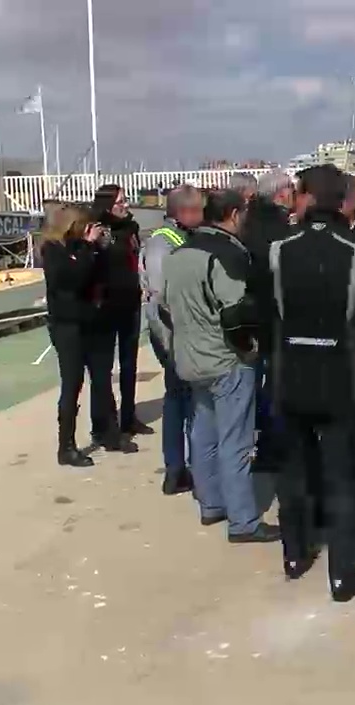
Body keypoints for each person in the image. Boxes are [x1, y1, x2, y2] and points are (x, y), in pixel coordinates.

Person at [270, 164, 355, 601]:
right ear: (342, 200)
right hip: (343, 373)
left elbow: (261, 310)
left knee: (294, 470)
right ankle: (342, 572)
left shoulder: (278, 249)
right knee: (341, 473)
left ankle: (295, 554)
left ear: (304, 196)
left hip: (292, 370)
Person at [163, 188, 280, 544]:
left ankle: (211, 502)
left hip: (190, 356)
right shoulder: (228, 254)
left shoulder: (178, 253)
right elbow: (235, 311)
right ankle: (243, 521)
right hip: (226, 358)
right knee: (236, 440)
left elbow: (165, 307)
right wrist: (249, 349)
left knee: (203, 431)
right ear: (232, 214)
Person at [40, 204, 124, 467]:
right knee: (72, 384)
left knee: (102, 378)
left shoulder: (84, 248)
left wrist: (101, 246)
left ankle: (106, 431)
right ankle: (66, 446)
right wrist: (87, 247)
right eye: (85, 226)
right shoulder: (52, 250)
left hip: (93, 322)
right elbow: (71, 280)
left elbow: (100, 273)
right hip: (67, 326)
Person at [140, 184, 202, 494]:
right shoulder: (163, 243)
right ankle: (179, 466)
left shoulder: (176, 238)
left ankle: (179, 466)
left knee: (179, 397)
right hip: (173, 333)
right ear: (185, 212)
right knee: (182, 398)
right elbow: (163, 293)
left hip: (173, 330)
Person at [241, 170, 298, 472]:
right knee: (275, 385)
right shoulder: (278, 226)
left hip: (251, 314)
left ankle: (256, 443)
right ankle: (270, 447)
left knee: (254, 384)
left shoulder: (248, 221)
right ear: (280, 193)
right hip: (274, 315)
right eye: (291, 189)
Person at [91, 184, 150, 442]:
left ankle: (129, 417)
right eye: (120, 201)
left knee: (130, 363)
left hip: (130, 301)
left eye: (126, 200)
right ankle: (106, 423)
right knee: (103, 368)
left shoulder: (131, 230)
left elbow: (136, 261)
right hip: (106, 305)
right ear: (107, 204)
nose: (125, 205)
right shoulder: (99, 230)